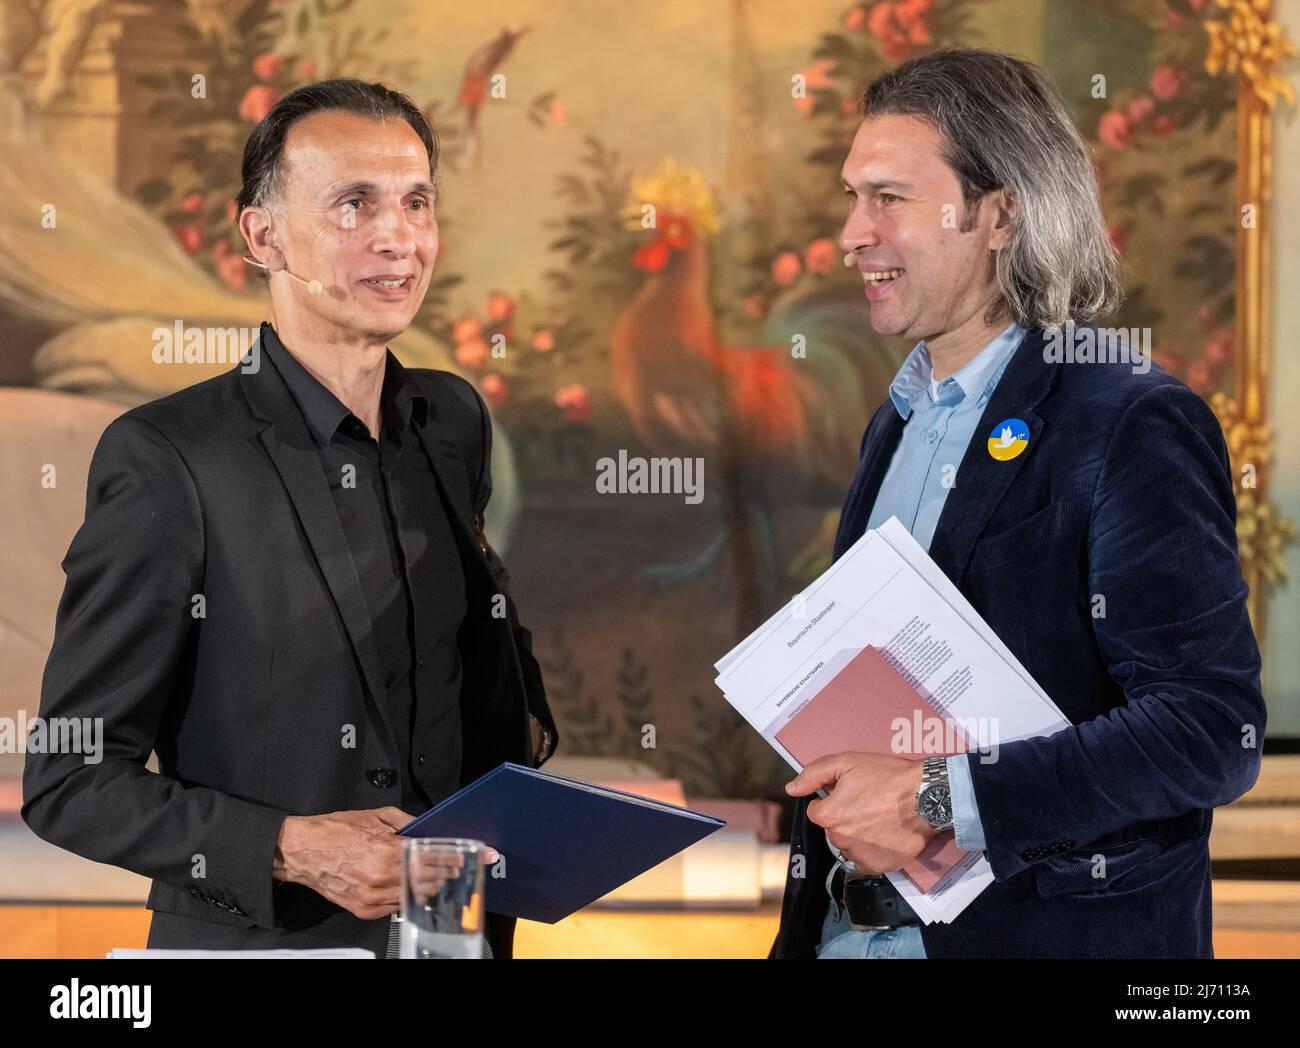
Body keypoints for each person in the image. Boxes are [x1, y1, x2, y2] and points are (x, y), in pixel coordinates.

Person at [22, 78, 557, 959]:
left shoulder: (452, 420)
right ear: (262, 235)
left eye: (416, 202)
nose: (398, 237)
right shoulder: (167, 458)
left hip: (460, 938)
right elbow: (71, 781)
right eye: (354, 204)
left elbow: (479, 676)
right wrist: (292, 849)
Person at [771, 48, 1264, 959]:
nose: (852, 232)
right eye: (851, 196)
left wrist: (934, 798)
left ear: (999, 214)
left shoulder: (1131, 418)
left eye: (889, 197)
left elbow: (1209, 732)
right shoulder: (897, 419)